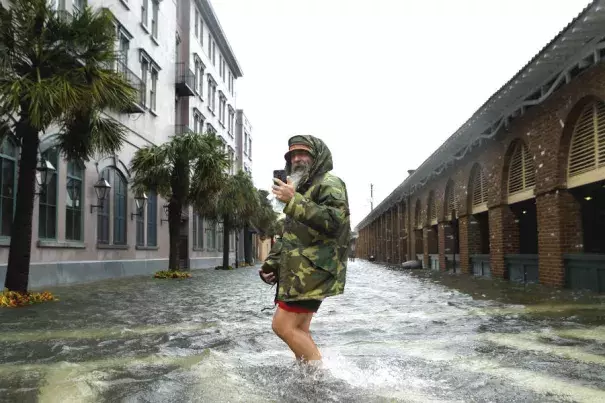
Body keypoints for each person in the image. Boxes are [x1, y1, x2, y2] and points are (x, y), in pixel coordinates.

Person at [259, 135, 351, 363]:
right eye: (293, 155)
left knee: (282, 326)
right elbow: (293, 234)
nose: (297, 159)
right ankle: (308, 377)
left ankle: (319, 379)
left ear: (316, 156)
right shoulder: (303, 188)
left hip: (314, 271)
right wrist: (271, 264)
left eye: (303, 153)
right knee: (298, 328)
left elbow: (334, 222)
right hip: (302, 272)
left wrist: (293, 201)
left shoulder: (329, 183)